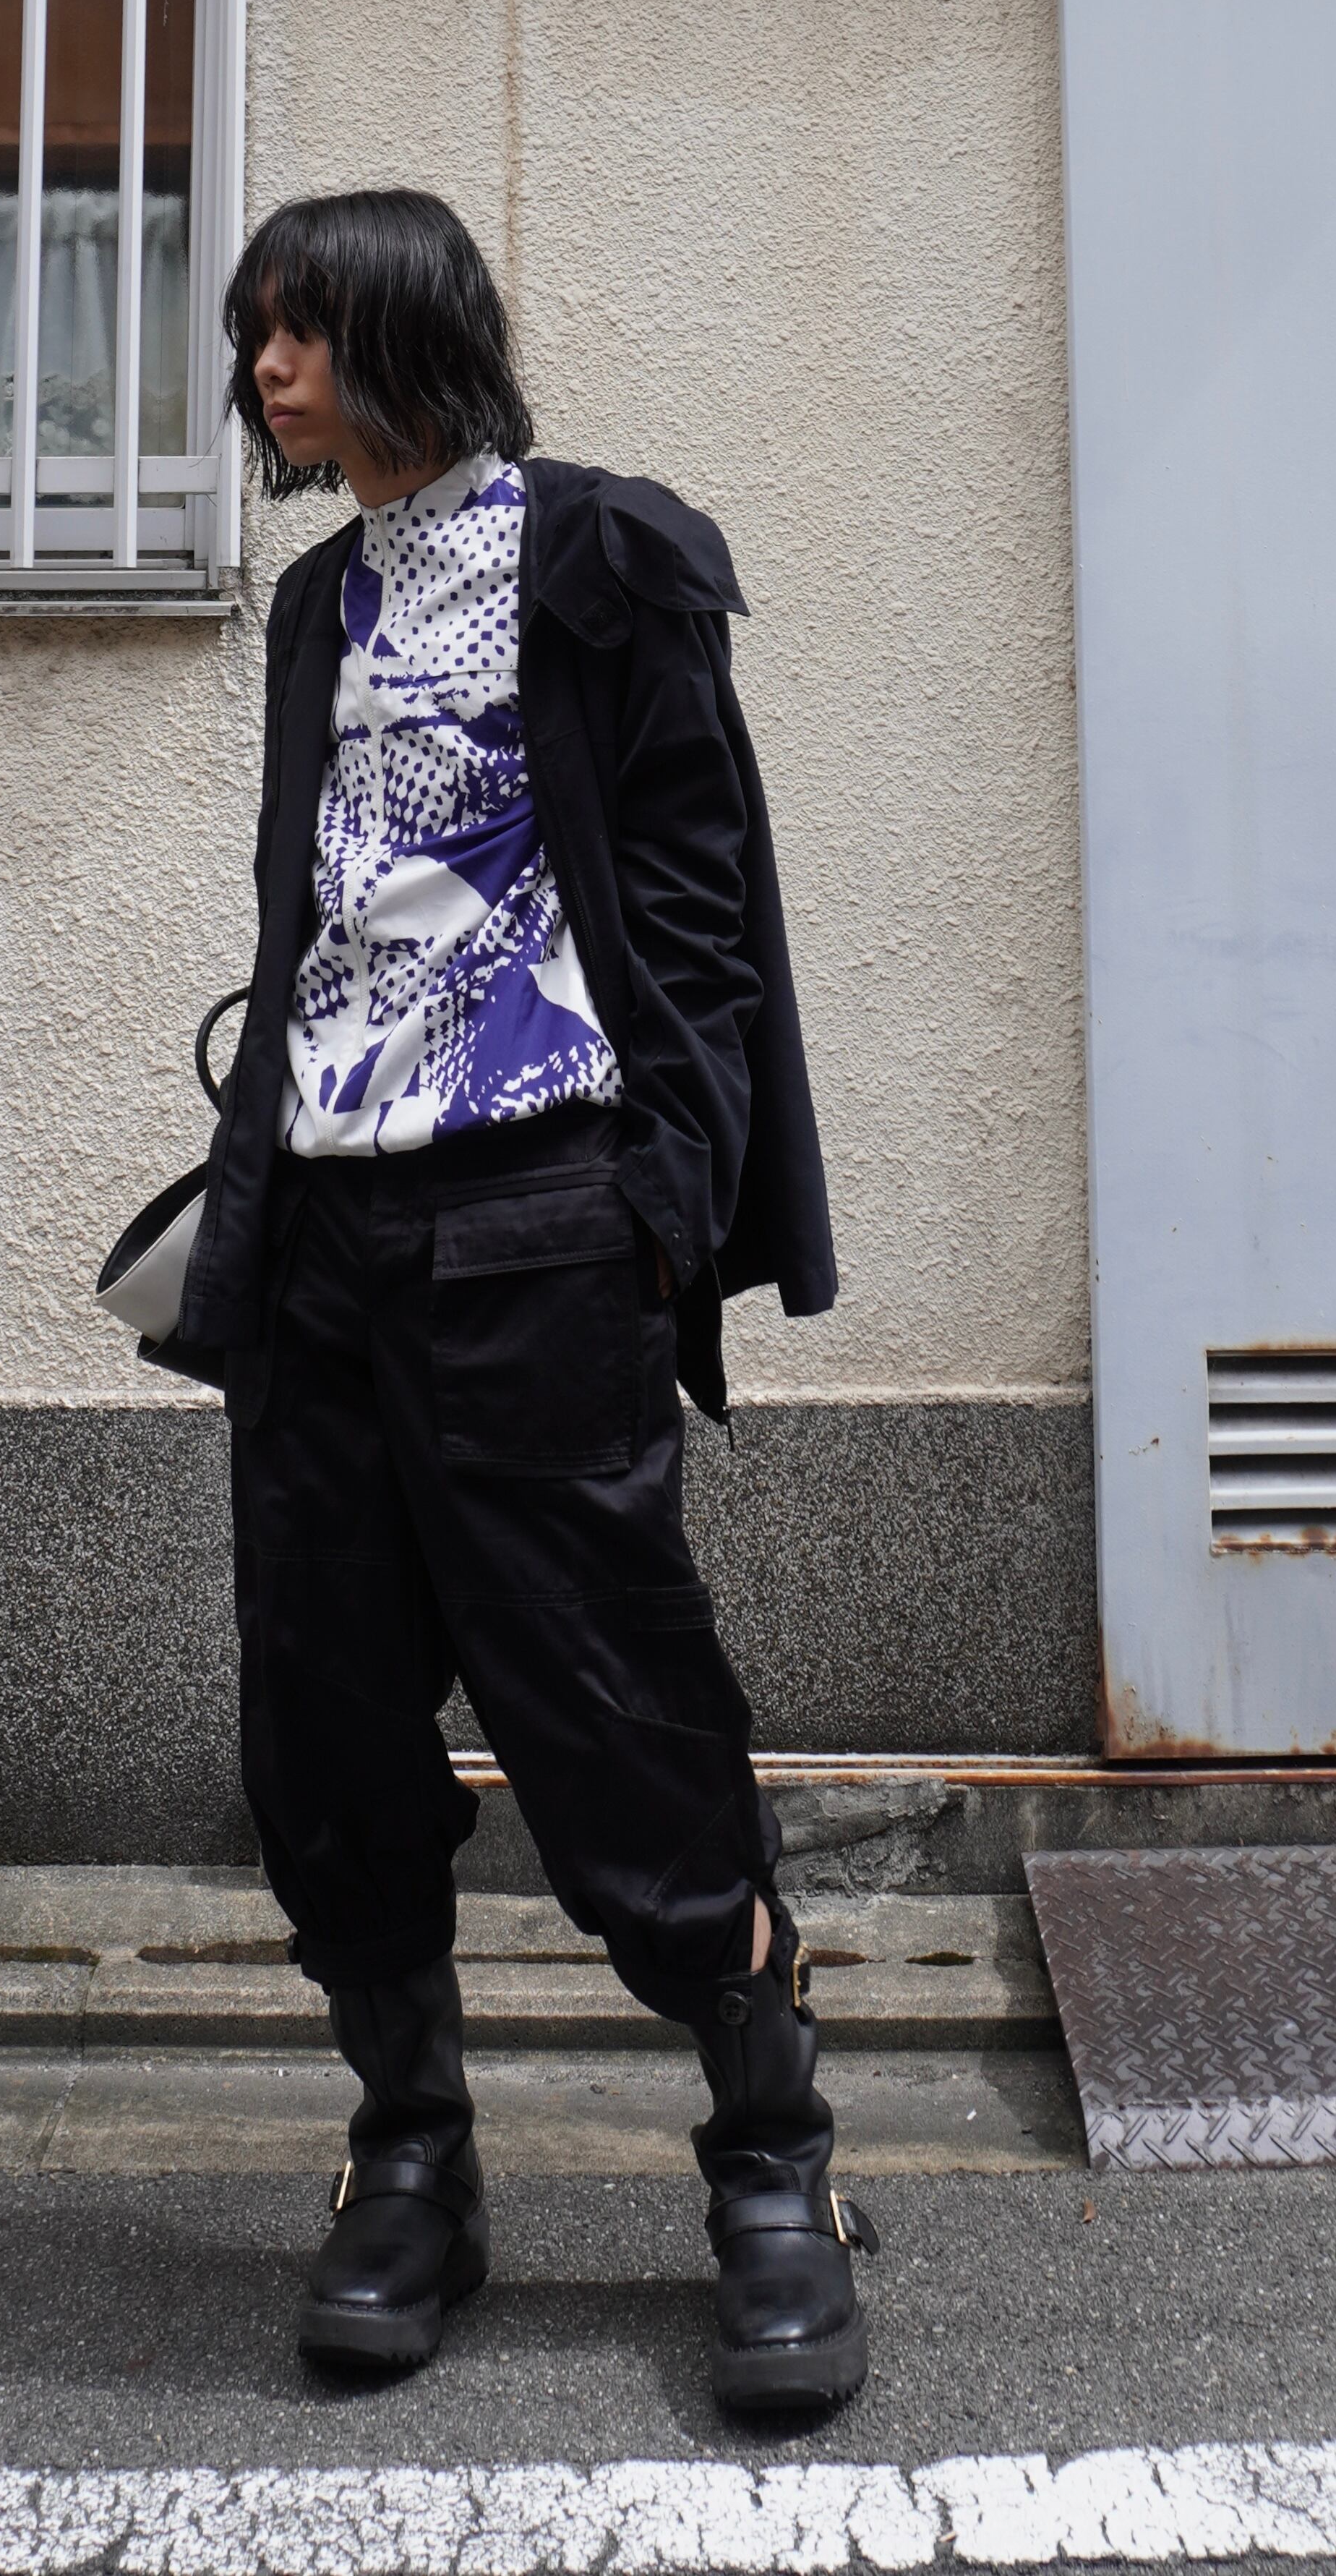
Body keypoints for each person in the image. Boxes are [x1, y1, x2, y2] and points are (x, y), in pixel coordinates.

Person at [148, 187, 868, 2410]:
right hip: (323, 1249)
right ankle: (412, 2162)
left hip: (540, 1226)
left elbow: (698, 903)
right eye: (257, 334)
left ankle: (773, 2160)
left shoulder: (601, 558)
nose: (267, 370)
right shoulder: (318, 605)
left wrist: (664, 1199)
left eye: (300, 329)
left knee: (611, 1708)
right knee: (326, 1729)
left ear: (409, 333)